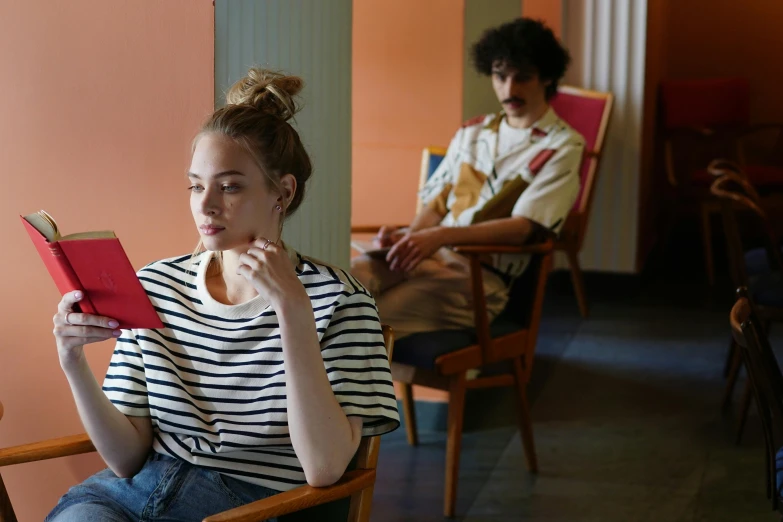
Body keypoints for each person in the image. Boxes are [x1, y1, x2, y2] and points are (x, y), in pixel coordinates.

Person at [46, 68, 399, 522]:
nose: (206, 205)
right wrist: (71, 362)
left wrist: (292, 312)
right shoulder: (155, 286)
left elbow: (325, 467)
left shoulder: (340, 303)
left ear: (283, 192)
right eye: (196, 185)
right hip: (131, 493)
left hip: (247, 507)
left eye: (229, 186)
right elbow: (125, 460)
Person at [351, 18, 585, 339]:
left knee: (361, 320)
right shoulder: (473, 132)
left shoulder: (562, 145)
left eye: (523, 78)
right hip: (432, 257)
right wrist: (407, 240)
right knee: (337, 288)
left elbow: (524, 229)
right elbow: (437, 204)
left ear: (546, 78)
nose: (509, 89)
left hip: (481, 279)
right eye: (501, 77)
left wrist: (441, 236)